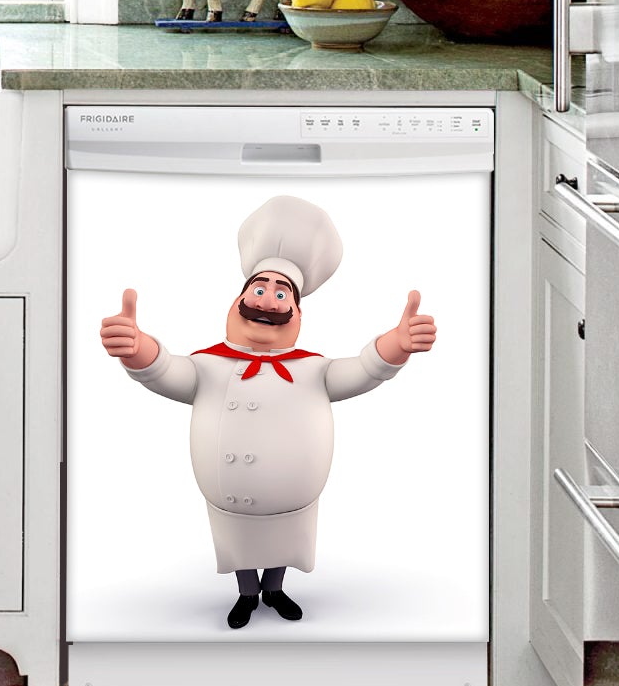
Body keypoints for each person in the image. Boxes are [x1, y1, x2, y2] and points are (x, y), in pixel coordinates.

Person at [98, 192, 438, 629]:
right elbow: (165, 371)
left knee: (282, 544)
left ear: (297, 312)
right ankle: (246, 594)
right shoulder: (209, 365)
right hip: (231, 500)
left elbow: (363, 369)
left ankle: (274, 589)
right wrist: (135, 348)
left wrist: (398, 342)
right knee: (241, 544)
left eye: (282, 294)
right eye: (259, 289)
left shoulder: (312, 369)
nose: (268, 301)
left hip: (294, 501)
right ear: (236, 300)